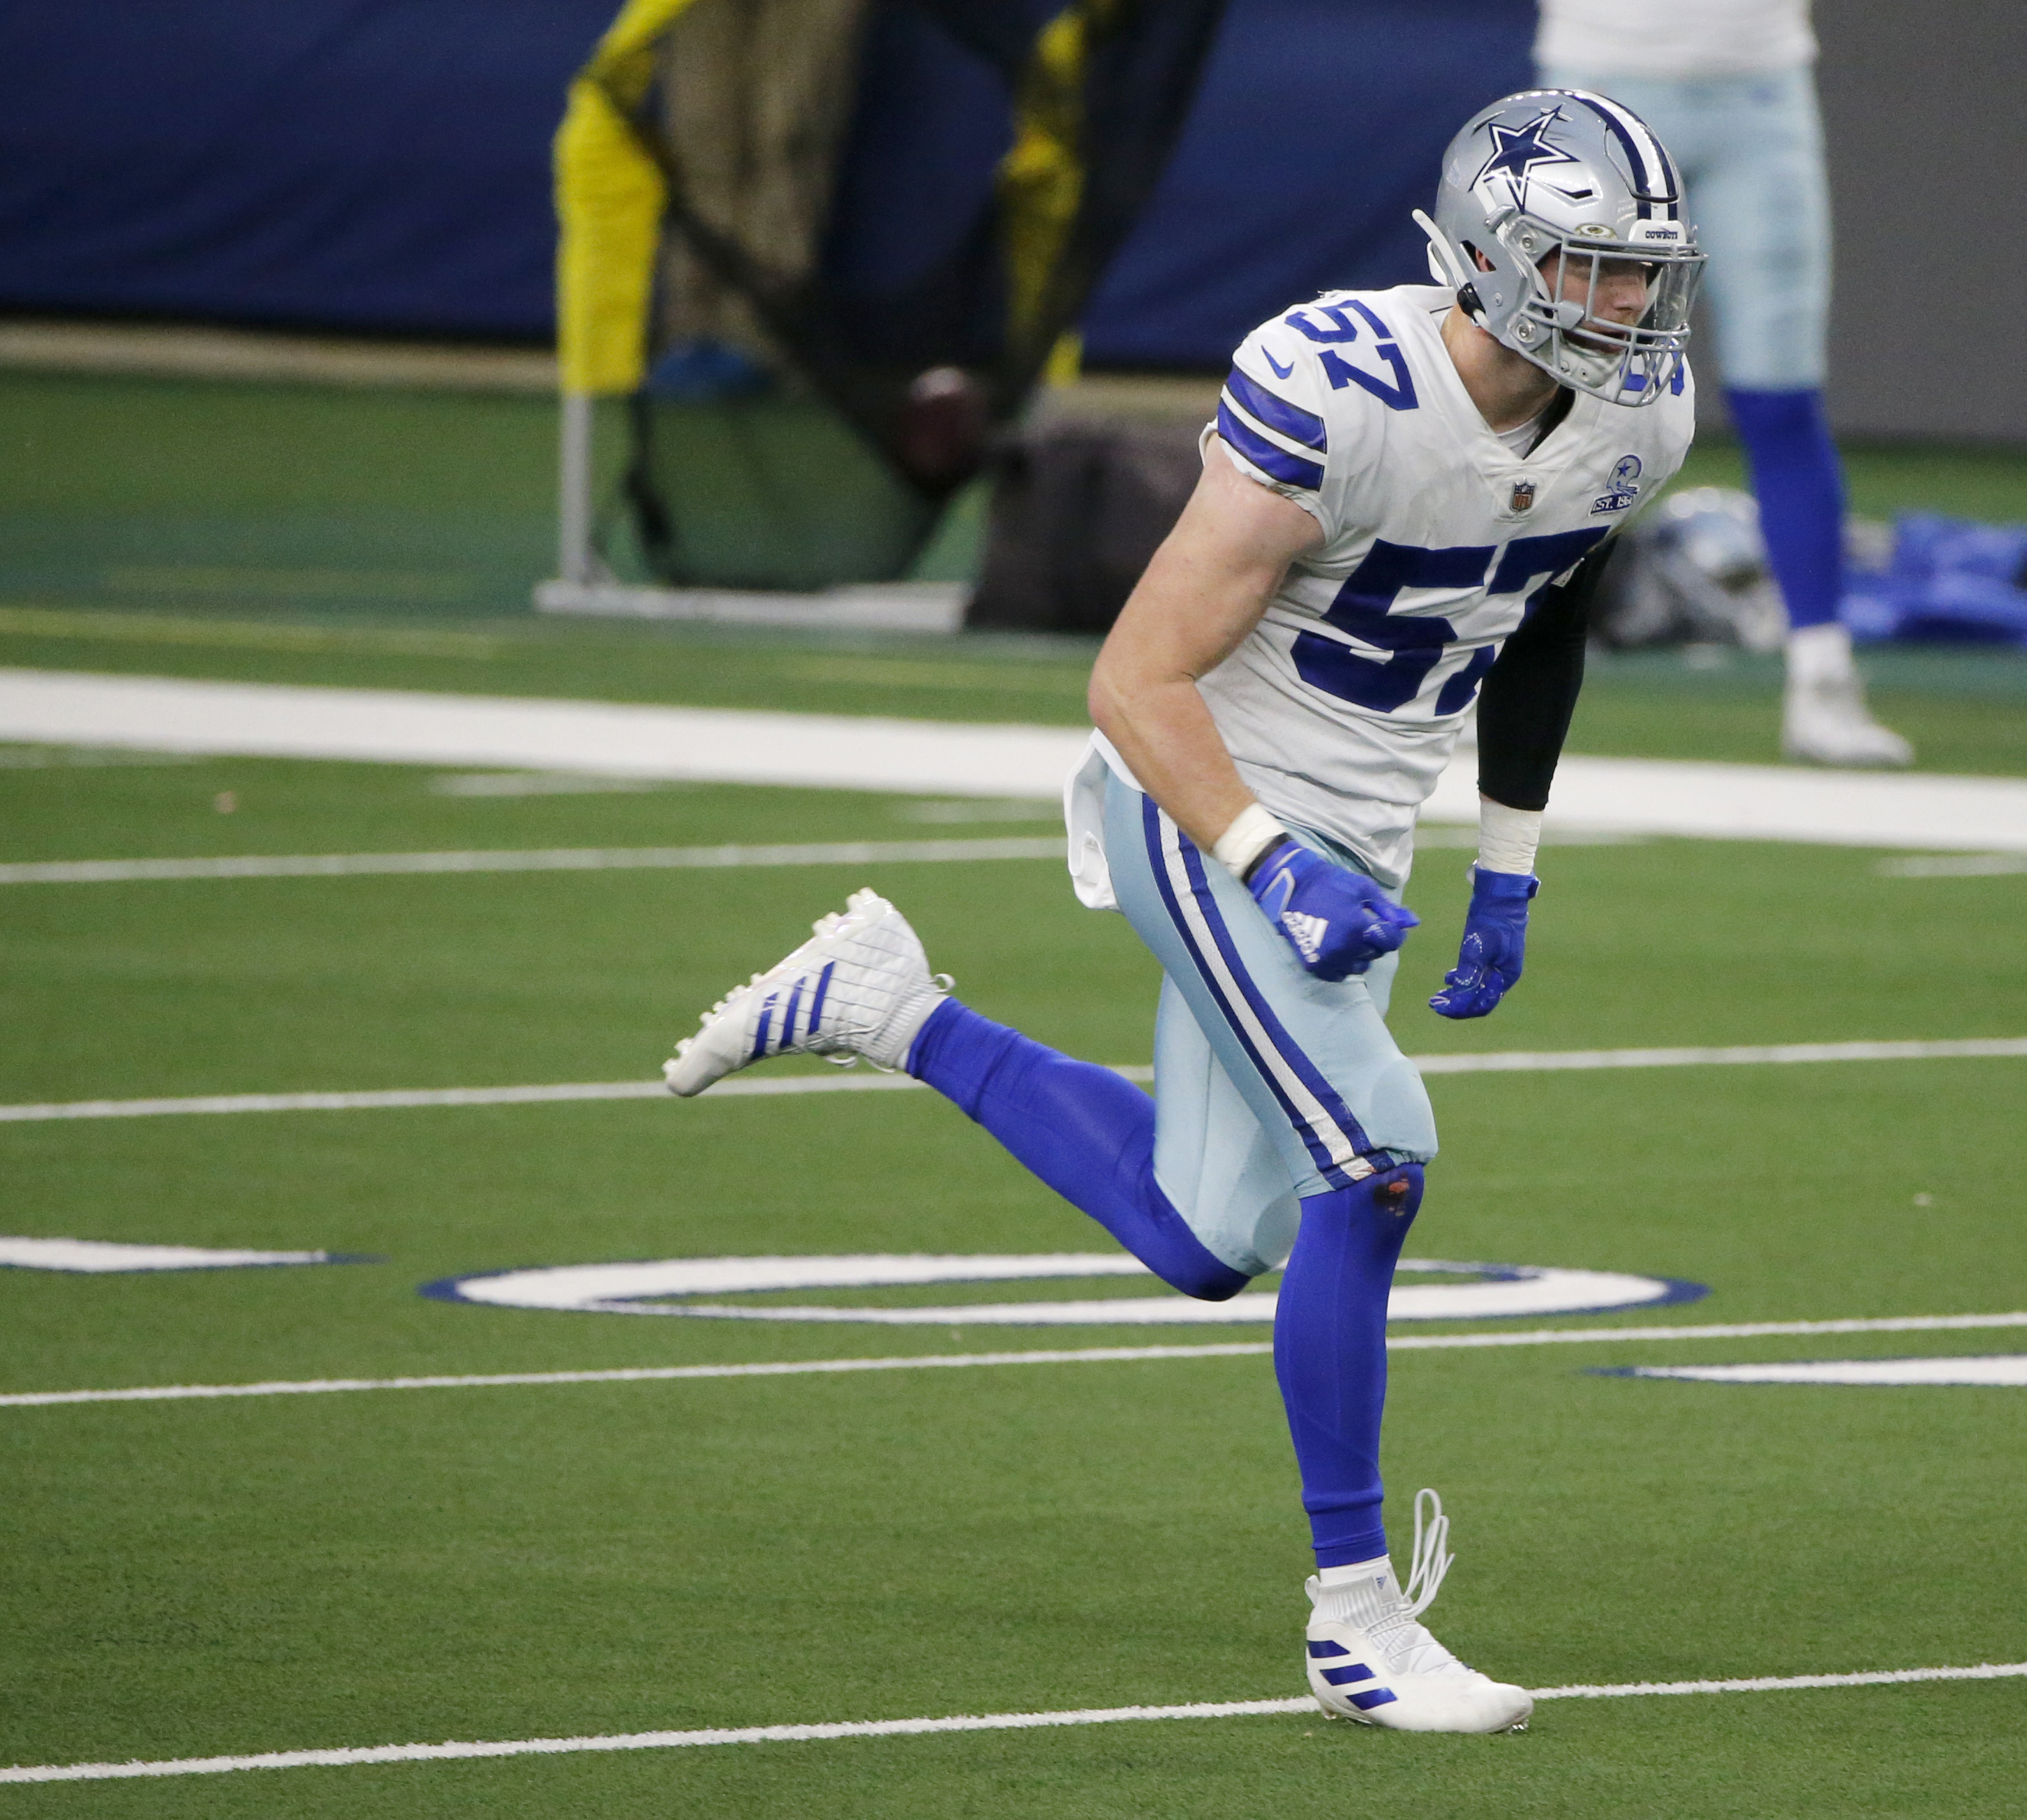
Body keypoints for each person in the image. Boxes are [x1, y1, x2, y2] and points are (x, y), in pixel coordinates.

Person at [656, 90, 1700, 1735]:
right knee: (1372, 1157)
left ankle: (886, 1007)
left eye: (1640, 272)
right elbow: (1134, 677)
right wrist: (1263, 856)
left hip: (1363, 825)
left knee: (1205, 1237)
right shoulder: (1345, 388)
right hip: (1199, 796)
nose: (1626, 306)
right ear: (1491, 255)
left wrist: (1509, 859)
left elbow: (1543, 610)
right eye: (1590, 266)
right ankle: (1353, 1618)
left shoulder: (1633, 420)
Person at [1483, 0, 1911, 767]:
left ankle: (1821, 678)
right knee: (1548, 383)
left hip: (1756, 98)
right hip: (1597, 102)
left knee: (1780, 397)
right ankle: (1475, 651)